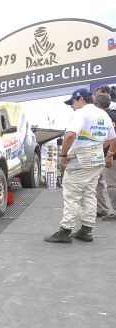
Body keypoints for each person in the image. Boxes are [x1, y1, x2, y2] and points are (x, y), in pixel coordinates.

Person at [45, 89, 116, 243]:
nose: (72, 106)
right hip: (97, 158)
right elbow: (113, 138)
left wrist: (63, 155)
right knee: (89, 194)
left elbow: (70, 135)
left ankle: (65, 231)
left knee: (71, 195)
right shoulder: (103, 114)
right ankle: (86, 230)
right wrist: (99, 150)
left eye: (73, 102)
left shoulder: (81, 113)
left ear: (81, 99)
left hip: (81, 159)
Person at [93, 92, 116, 219]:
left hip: (111, 156)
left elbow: (113, 138)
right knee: (99, 182)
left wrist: (109, 154)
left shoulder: (110, 116)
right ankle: (101, 208)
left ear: (98, 104)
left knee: (112, 184)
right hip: (104, 155)